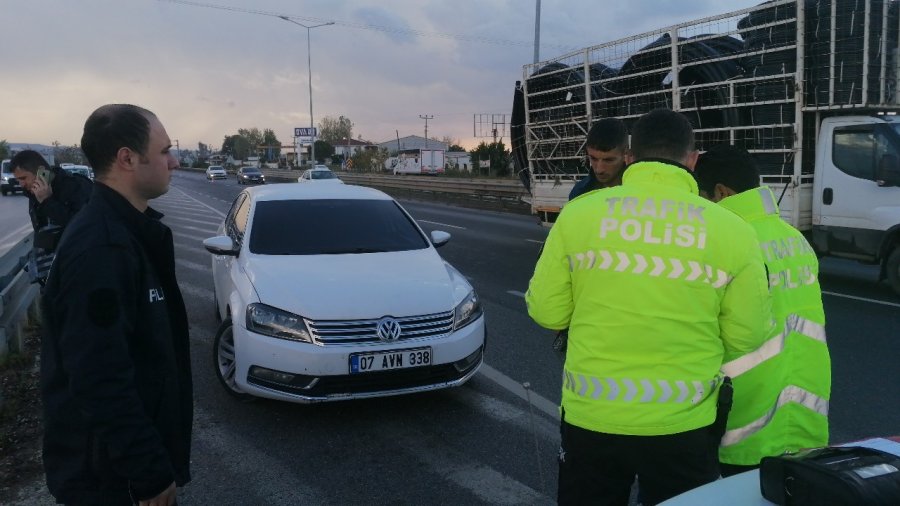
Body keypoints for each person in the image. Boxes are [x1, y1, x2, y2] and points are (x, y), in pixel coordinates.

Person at [526, 109, 772, 505]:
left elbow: (547, 312)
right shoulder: (734, 231)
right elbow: (748, 336)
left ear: (631, 158)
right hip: (684, 425)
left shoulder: (579, 214)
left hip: (593, 418)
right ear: (692, 160)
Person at [41, 104, 193, 506]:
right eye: (164, 151)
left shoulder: (125, 232)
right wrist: (148, 470)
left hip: (117, 471)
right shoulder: (102, 248)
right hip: (111, 481)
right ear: (127, 158)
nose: (174, 162)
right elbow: (98, 376)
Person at [694, 144, 831, 477]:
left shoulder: (724, 242)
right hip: (805, 416)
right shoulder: (793, 237)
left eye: (701, 195)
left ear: (721, 192)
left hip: (746, 423)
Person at [9, 150, 92, 284]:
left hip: (79, 273)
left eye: (23, 178)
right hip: (51, 277)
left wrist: (48, 202)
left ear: (41, 171)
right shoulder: (35, 194)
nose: (21, 184)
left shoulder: (75, 187)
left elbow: (83, 228)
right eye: (18, 180)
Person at [568, 118, 629, 200]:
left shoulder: (640, 189)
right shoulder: (579, 192)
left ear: (625, 153)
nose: (599, 169)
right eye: (593, 158)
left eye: (608, 160)